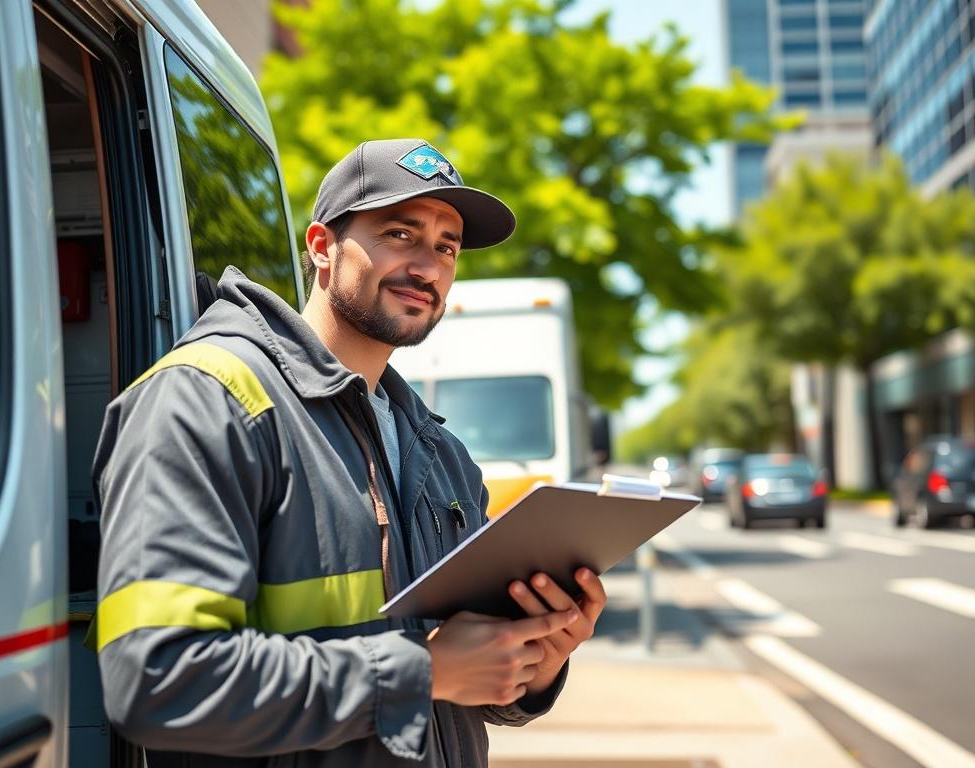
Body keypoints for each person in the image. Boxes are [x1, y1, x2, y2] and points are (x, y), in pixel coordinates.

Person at [92, 138, 606, 767]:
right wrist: (422, 672)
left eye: (446, 247)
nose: (428, 267)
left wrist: (531, 665)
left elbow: (459, 680)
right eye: (400, 233)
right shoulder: (206, 400)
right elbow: (156, 678)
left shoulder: (441, 452)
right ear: (321, 248)